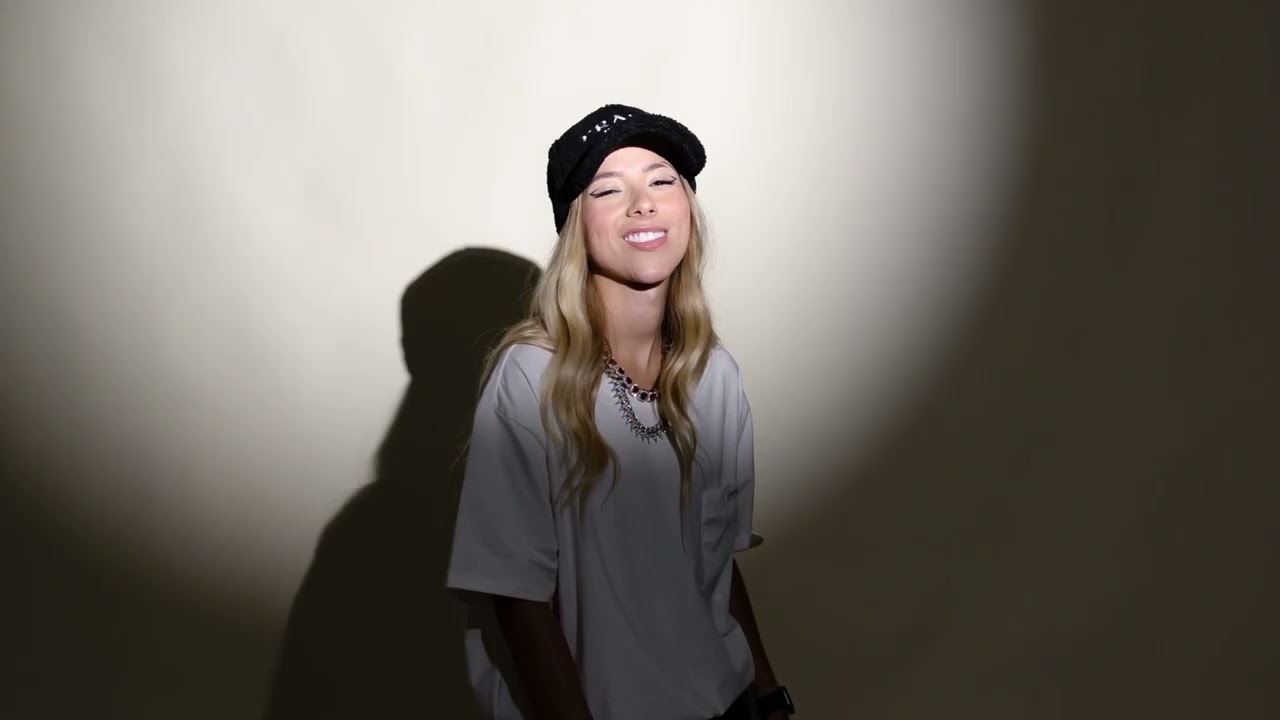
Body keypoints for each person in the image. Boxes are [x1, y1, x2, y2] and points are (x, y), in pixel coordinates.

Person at [446, 104, 795, 720]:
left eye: (662, 180)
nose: (643, 204)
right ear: (575, 225)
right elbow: (518, 600)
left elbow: (716, 568)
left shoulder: (714, 373)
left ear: (688, 208)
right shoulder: (532, 377)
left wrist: (770, 700)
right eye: (608, 189)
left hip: (729, 703)